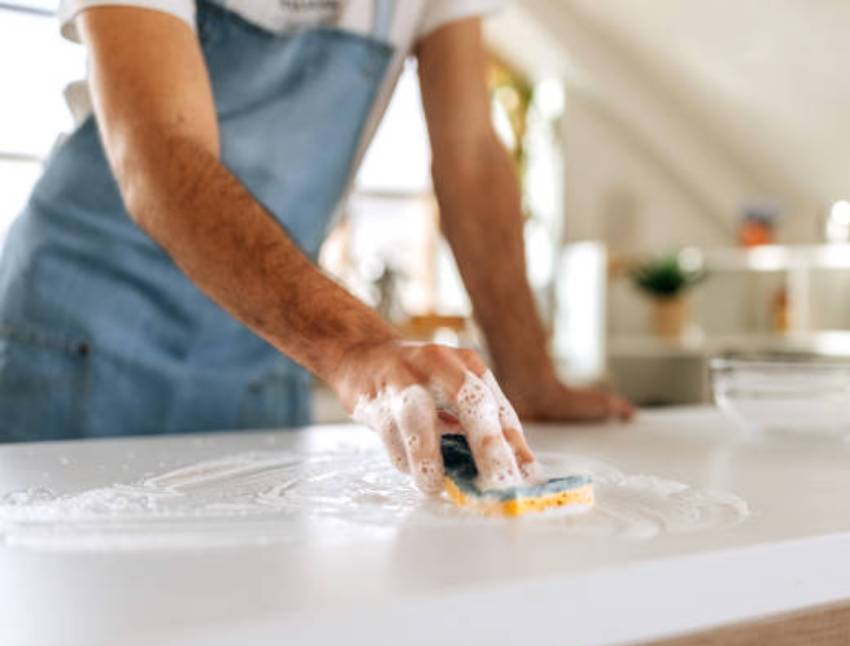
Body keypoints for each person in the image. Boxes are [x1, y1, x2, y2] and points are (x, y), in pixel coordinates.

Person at [0, 0, 632, 493]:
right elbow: (161, 154)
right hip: (77, 340)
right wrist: (358, 347)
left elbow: (470, 159)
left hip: (262, 350)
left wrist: (529, 373)